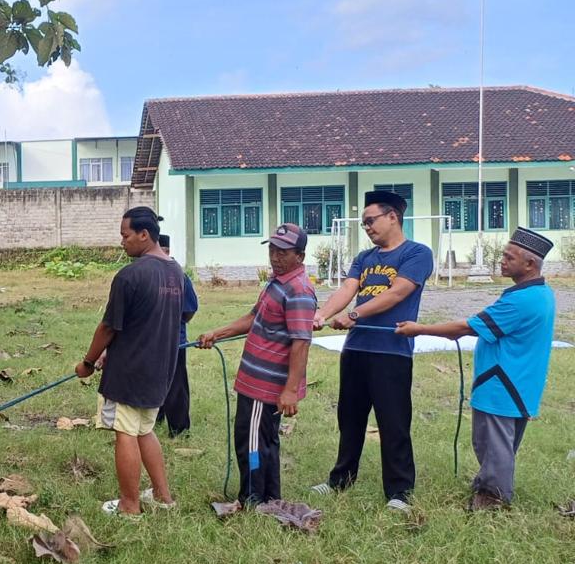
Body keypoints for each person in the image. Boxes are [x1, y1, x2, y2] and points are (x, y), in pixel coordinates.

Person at [395, 228, 556, 511]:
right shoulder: (541, 293)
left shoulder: (522, 300)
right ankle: (487, 484)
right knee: (502, 444)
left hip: (502, 384)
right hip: (521, 382)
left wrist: (418, 328)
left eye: (509, 257)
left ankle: (492, 500)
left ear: (530, 264)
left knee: (492, 444)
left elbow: (467, 327)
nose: (502, 261)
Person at [310, 190, 434, 514]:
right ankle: (341, 478)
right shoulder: (365, 258)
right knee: (349, 419)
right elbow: (349, 289)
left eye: (371, 221)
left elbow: (397, 293)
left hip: (391, 352)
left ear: (392, 216)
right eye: (363, 223)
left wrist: (354, 315)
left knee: (393, 422)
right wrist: (321, 314)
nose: (367, 228)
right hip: (356, 350)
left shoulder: (417, 254)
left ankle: (400, 491)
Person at [75, 207, 184, 516]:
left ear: (143, 235)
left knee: (125, 432)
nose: (122, 242)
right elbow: (174, 315)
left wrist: (88, 362)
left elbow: (108, 327)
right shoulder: (176, 271)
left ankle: (129, 506)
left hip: (129, 372)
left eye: (125, 236)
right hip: (161, 369)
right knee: (144, 430)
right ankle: (163, 497)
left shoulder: (130, 275)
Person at [199, 224, 316, 506]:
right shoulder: (278, 282)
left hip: (265, 386)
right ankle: (269, 496)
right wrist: (218, 332)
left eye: (283, 253)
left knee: (250, 441)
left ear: (299, 256)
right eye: (272, 250)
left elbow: (301, 343)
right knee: (265, 440)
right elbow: (254, 317)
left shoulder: (298, 290)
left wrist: (289, 391)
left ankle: (251, 497)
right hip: (256, 379)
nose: (275, 257)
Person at [157, 234, 197, 437]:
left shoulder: (179, 276)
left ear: (168, 251)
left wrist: (177, 324)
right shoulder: (146, 273)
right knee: (152, 381)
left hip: (175, 342)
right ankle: (155, 418)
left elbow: (190, 309)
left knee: (176, 386)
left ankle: (179, 428)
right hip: (149, 342)